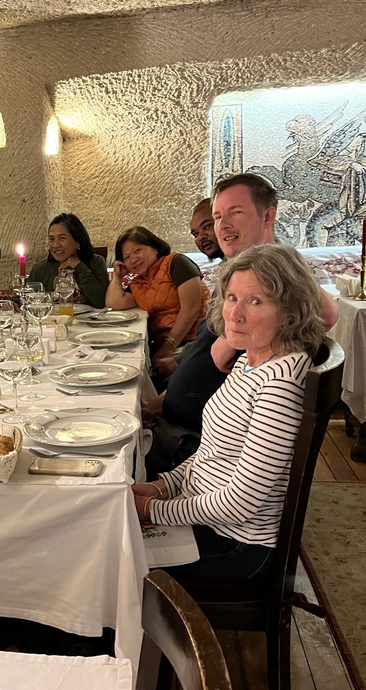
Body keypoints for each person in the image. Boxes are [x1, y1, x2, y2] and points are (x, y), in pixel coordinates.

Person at [132, 244, 326, 580]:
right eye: (232, 298)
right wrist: (162, 487)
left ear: (290, 312)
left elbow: (242, 502)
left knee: (108, 566)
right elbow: (212, 452)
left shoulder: (279, 385)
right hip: (209, 518)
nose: (234, 314)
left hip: (238, 545)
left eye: (255, 301)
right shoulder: (252, 357)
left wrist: (154, 510)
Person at [142, 172, 338, 475]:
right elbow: (201, 362)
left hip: (202, 451)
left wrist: (232, 342)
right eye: (218, 216)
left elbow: (327, 314)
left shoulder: (274, 275)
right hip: (179, 430)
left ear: (267, 216)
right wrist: (158, 404)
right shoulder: (239, 274)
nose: (223, 225)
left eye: (236, 213)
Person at [105, 226, 209, 375]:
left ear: (155, 248)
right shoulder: (138, 283)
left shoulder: (176, 262)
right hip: (164, 346)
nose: (133, 259)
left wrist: (168, 348)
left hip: (194, 343)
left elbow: (191, 308)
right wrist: (117, 277)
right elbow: (114, 303)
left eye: (137, 250)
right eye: (126, 257)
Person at [29, 214, 109, 308]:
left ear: (78, 241)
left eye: (62, 238)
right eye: (51, 239)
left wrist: (80, 268)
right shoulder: (40, 269)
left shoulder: (96, 262)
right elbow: (27, 300)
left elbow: (100, 302)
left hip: (88, 321)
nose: (55, 245)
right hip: (53, 321)